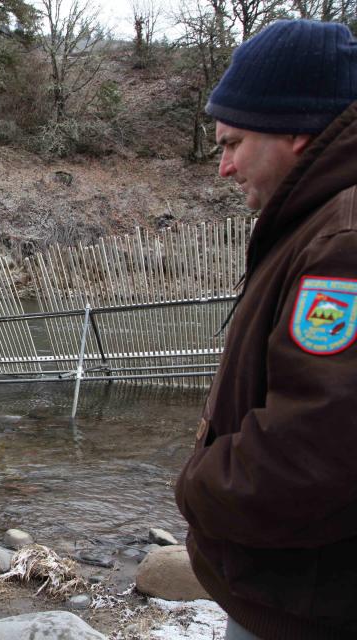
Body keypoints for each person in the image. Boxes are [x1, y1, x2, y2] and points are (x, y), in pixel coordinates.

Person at [175, 19, 357, 640]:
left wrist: (198, 487)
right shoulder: (318, 220)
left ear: (297, 132)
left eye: (233, 142)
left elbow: (317, 445)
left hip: (307, 605)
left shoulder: (343, 241)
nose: (223, 167)